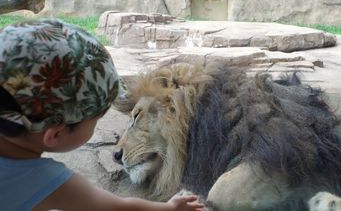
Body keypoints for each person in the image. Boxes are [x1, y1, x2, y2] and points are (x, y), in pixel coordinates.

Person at [0, 19, 204, 211]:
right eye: (97, 119)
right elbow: (118, 208)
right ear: (55, 135)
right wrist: (169, 208)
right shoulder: (44, 181)